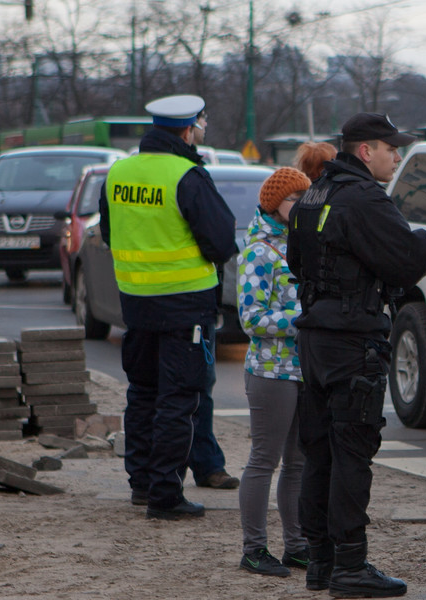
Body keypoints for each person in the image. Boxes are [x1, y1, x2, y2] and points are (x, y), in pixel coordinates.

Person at [286, 113, 426, 598]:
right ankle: (350, 566)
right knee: (352, 453)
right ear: (366, 150)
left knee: (320, 453)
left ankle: (321, 563)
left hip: (315, 339)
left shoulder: (312, 194)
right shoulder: (365, 197)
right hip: (353, 341)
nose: (397, 156)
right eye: (392, 148)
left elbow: (296, 262)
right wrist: (425, 242)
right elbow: (411, 259)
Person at [99, 94, 239, 520]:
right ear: (186, 130)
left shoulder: (118, 172)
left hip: (136, 306)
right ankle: (165, 495)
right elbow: (220, 242)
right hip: (185, 307)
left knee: (142, 394)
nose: (199, 132)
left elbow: (109, 232)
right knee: (179, 400)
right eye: (199, 126)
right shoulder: (188, 175)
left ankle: (141, 485)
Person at [236, 167, 313, 577]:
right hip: (270, 372)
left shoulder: (297, 245)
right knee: (263, 460)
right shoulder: (257, 252)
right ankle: (254, 549)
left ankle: (297, 547)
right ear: (273, 205)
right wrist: (303, 318)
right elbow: (251, 319)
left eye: (305, 199)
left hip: (301, 370)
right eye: (293, 200)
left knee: (298, 463)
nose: (301, 207)